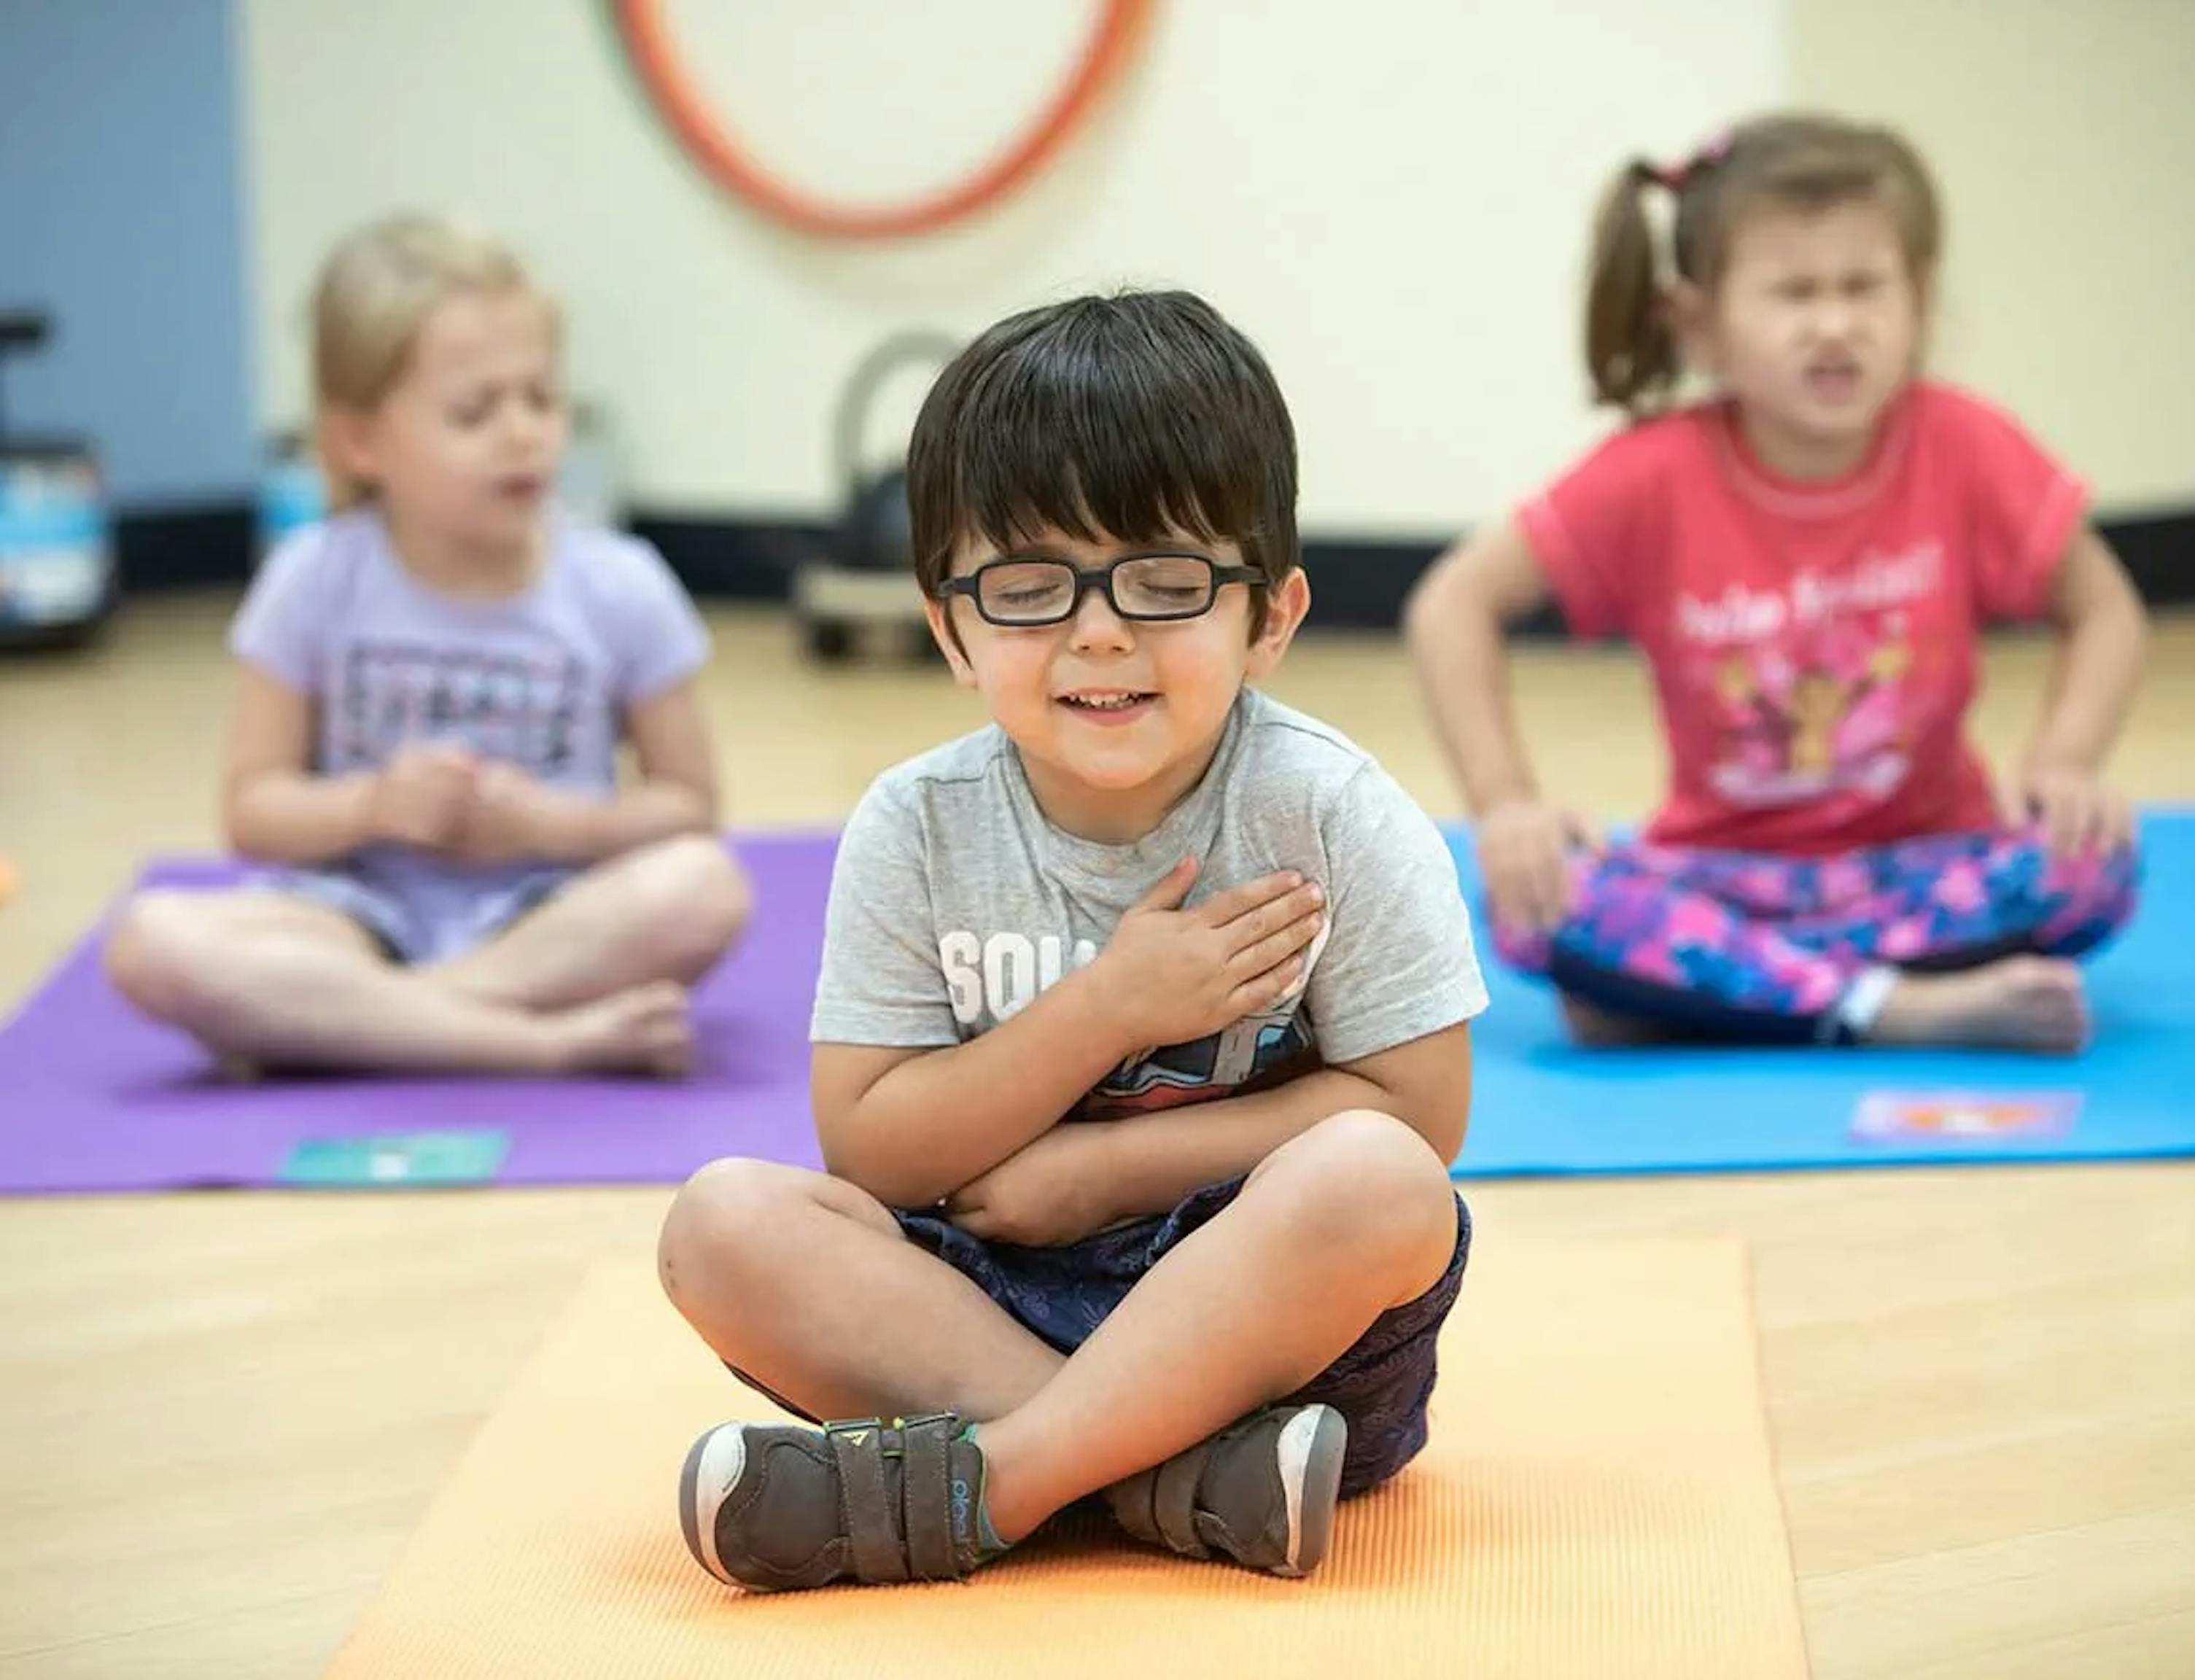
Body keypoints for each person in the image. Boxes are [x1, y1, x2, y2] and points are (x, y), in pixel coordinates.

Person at [658, 291, 1488, 1591]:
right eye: (1031, 587)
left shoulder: (1327, 808)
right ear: (948, 627)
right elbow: (869, 1141)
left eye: (1165, 582)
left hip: (1281, 1338)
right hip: (982, 1305)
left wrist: (1106, 1171)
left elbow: (1421, 1109)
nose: (1099, 630)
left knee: (1382, 1181)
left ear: (1268, 616)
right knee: (720, 1223)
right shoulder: (916, 824)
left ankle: (1000, 1478)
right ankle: (1173, 1481)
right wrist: (1106, 1007)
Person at [1407, 113, 2145, 1053]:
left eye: (1865, 287)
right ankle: (1895, 1007)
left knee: (2094, 865)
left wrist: (2066, 762)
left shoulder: (1966, 445)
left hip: (1927, 869)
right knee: (1545, 907)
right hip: (1720, 877)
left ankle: (1715, 991)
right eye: (1795, 293)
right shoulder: (1653, 475)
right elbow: (1452, 605)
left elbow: (2105, 606)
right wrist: (1508, 803)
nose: (1836, 323)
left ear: (1918, 300)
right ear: (1700, 324)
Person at [104, 214, 748, 1077]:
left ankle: (358, 1027)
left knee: (705, 888)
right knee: (150, 943)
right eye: (475, 411)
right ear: (361, 442)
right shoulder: (312, 578)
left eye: (542, 398)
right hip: (351, 915)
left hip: (546, 913)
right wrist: (370, 806)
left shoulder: (622, 585)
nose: (524, 432)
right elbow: (252, 814)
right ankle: (531, 1044)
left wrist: (551, 824)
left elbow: (689, 807)